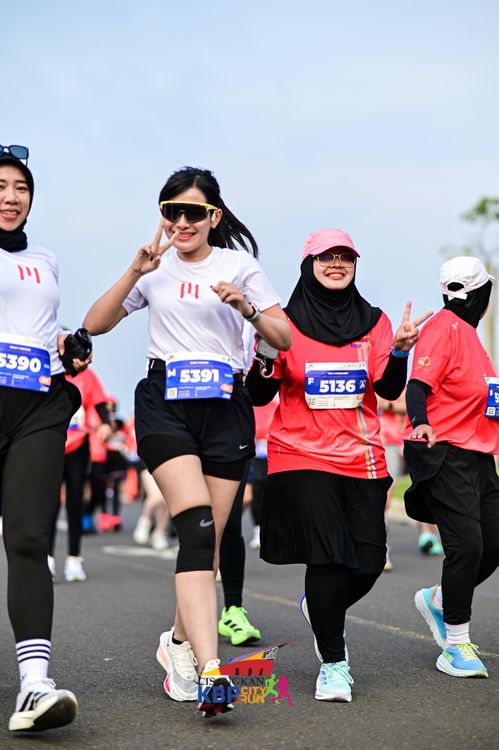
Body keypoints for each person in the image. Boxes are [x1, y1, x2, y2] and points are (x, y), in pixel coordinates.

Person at [83, 166, 290, 716]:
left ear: (213, 216)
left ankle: (176, 643)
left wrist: (246, 308)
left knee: (209, 543)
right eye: (170, 211)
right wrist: (134, 271)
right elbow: (94, 323)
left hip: (225, 406)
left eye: (192, 212)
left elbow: (284, 337)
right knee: (197, 527)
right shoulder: (154, 269)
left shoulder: (239, 267)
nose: (180, 221)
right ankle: (212, 669)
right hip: (165, 403)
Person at [246, 228, 431, 703]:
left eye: (345, 257)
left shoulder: (374, 322)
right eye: (326, 257)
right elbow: (259, 394)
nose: (336, 264)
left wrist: (401, 351)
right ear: (308, 265)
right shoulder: (282, 323)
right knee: (328, 555)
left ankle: (321, 611)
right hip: (301, 454)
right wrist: (265, 352)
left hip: (361, 456)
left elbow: (388, 389)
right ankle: (333, 664)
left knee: (368, 561)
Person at [0, 145, 91, 732]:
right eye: (0, 187)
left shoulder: (45, 259)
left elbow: (34, 325)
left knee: (30, 538)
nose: (11, 198)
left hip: (37, 404)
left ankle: (34, 686)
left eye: (21, 188)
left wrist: (67, 345)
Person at [405, 256, 499, 679]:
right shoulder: (444, 328)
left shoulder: (472, 337)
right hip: (443, 450)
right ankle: (456, 645)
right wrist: (420, 419)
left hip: (479, 456)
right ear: (482, 295)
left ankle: (440, 599)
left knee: (494, 541)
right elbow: (417, 385)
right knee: (467, 546)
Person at [48, 366, 112, 580]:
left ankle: (74, 560)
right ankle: (47, 559)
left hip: (78, 445)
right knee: (50, 503)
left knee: (75, 501)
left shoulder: (87, 375)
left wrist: (106, 423)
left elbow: (100, 402)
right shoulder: (49, 368)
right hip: (51, 442)